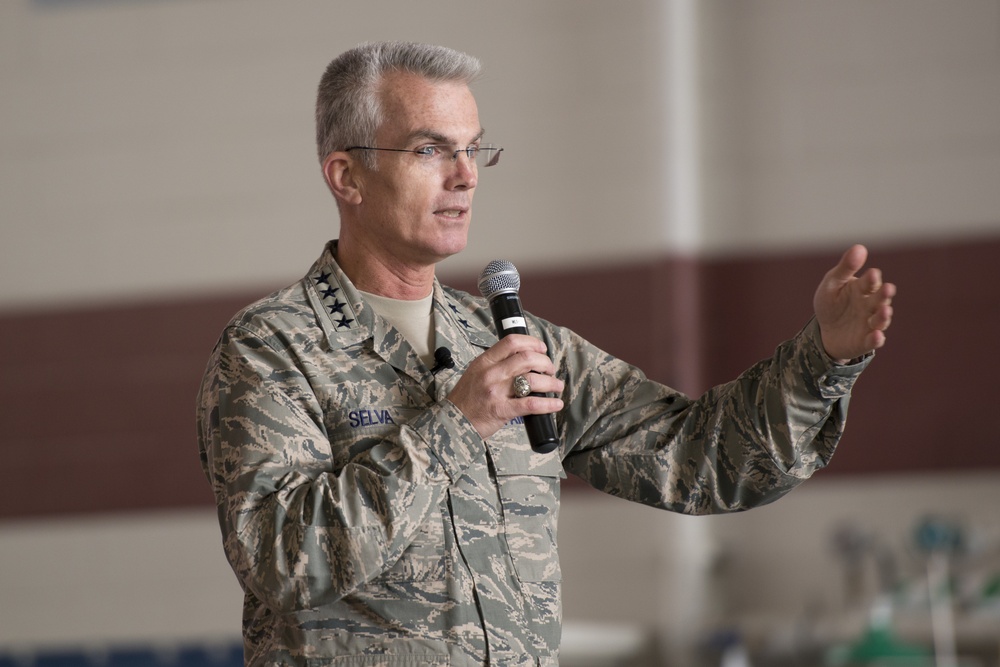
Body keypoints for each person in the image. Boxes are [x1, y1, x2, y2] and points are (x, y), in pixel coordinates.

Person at [197, 41, 895, 667]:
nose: (465, 177)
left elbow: (701, 456)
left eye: (475, 150)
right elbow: (281, 558)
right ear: (346, 176)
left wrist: (822, 360)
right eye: (432, 150)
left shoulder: (512, 343)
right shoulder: (272, 348)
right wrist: (456, 425)